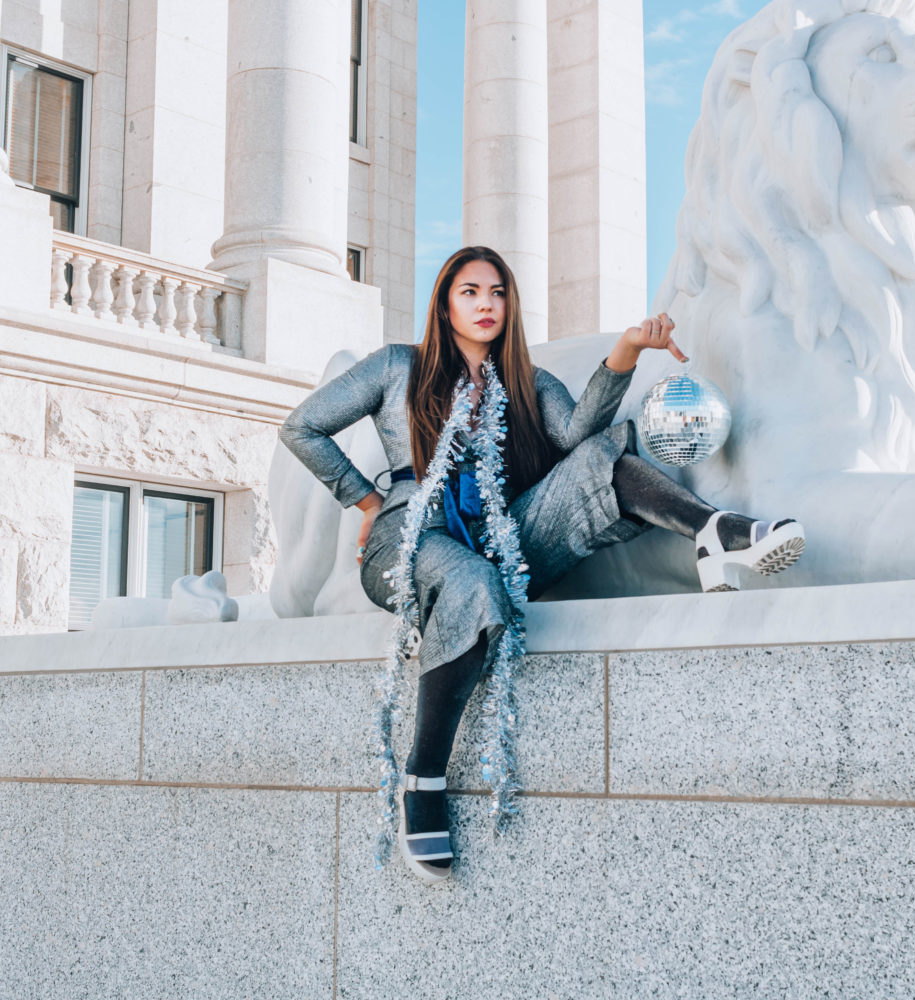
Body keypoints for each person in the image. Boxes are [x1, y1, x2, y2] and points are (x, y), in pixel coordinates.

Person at [279, 246, 804, 884]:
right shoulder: (398, 366)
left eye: (497, 292)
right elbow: (302, 427)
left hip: (503, 537)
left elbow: (580, 435)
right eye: (470, 291)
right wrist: (365, 499)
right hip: (412, 535)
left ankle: (715, 530)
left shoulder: (527, 383)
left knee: (602, 455)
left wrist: (629, 350)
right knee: (469, 580)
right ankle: (423, 777)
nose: (486, 305)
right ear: (445, 302)